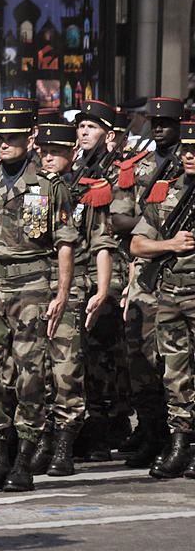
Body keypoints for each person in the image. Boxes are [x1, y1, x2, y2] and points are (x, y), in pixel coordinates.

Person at [0, 99, 78, 494]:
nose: (5, 144)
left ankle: (23, 460)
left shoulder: (48, 186)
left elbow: (65, 245)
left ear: (30, 138)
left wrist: (61, 294)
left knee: (31, 377)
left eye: (13, 138)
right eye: (0, 138)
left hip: (31, 287)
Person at [33, 119, 114, 476]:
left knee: (66, 367)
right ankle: (44, 439)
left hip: (73, 286)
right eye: (44, 152)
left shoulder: (88, 190)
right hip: (36, 286)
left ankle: (65, 443)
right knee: (36, 370)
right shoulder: (36, 192)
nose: (48, 159)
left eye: (56, 153)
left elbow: (100, 243)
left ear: (72, 153)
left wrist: (102, 288)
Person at [111, 98, 182, 468]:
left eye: (167, 122)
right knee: (139, 357)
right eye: (154, 121)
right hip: (142, 271)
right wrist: (151, 224)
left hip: (181, 272)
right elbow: (118, 220)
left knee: (175, 362)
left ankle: (178, 438)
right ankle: (152, 434)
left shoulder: (187, 166)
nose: (159, 128)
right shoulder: (138, 169)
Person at [130, 118, 195, 479]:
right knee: (175, 374)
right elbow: (138, 244)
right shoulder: (166, 192)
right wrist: (169, 244)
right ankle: (180, 443)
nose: (189, 155)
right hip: (170, 294)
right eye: (186, 149)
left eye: (194, 149)